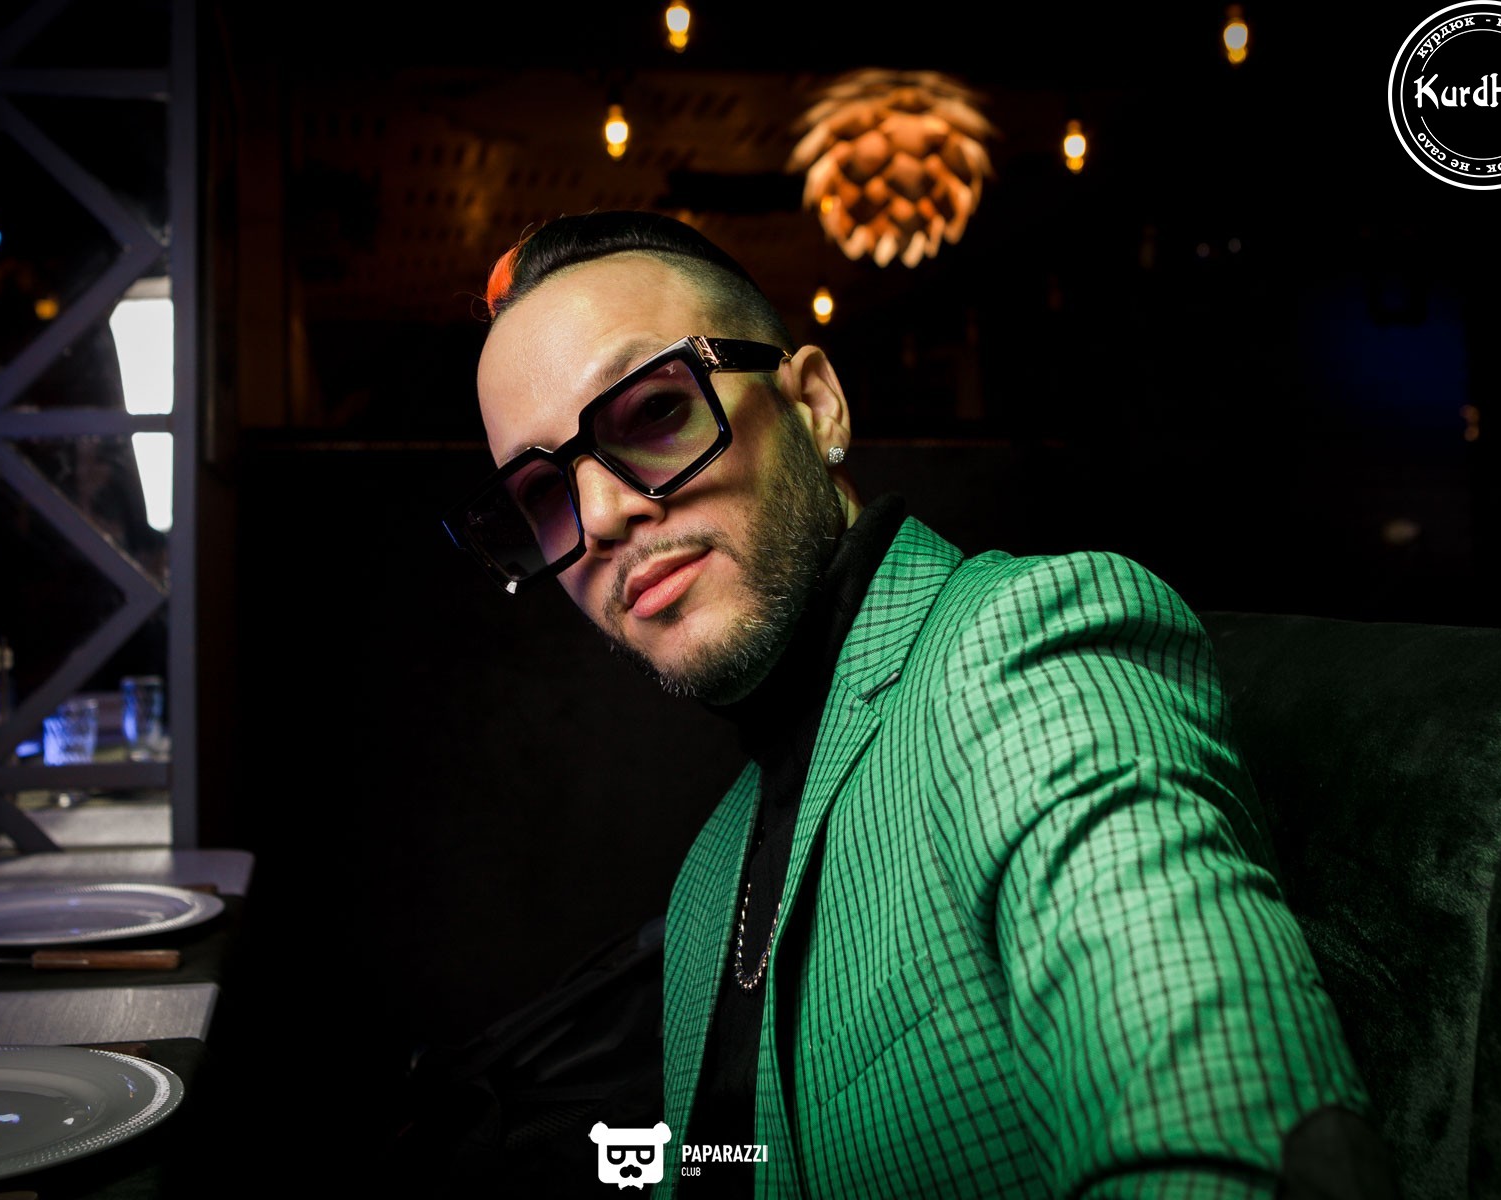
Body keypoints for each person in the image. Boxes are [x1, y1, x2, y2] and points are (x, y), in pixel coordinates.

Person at [443, 211, 1392, 1197]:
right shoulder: (704, 886)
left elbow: (1231, 1140)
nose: (600, 517)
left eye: (653, 412)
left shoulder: (1023, 649)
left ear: (816, 407)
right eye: (543, 496)